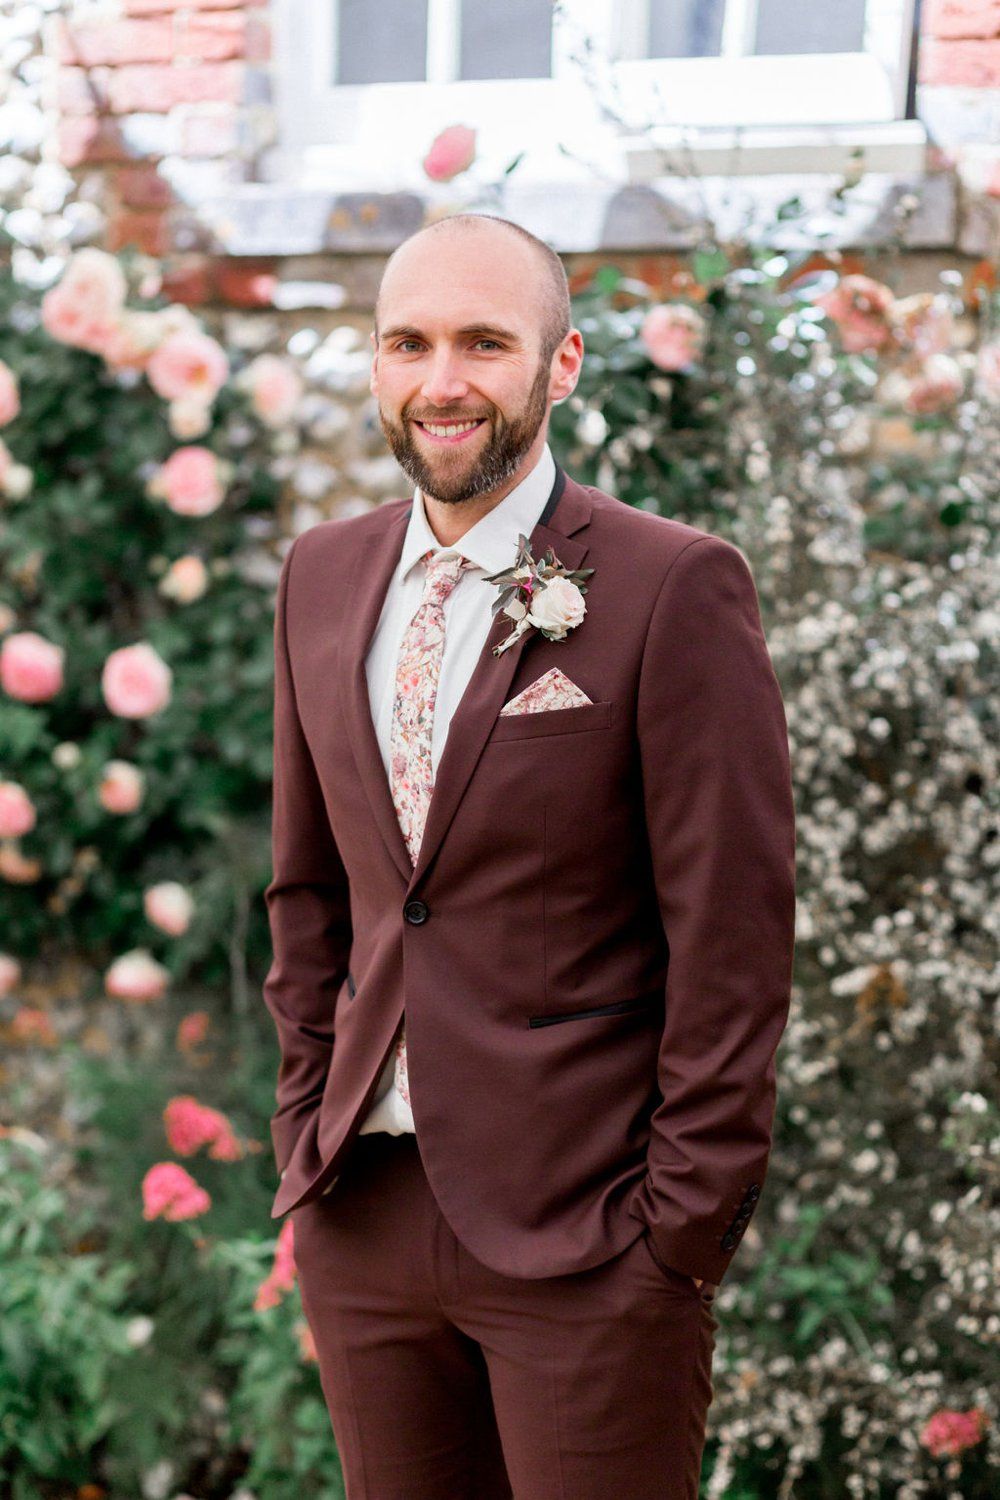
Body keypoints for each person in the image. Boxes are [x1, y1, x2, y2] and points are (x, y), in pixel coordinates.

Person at [262, 212, 796, 1499]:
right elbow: (309, 890)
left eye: (484, 343)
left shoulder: (673, 587)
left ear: (558, 367)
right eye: (409, 343)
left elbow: (731, 934)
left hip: (586, 1234)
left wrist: (674, 1238)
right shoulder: (320, 576)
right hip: (366, 1213)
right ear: (377, 362)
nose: (441, 380)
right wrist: (302, 1137)